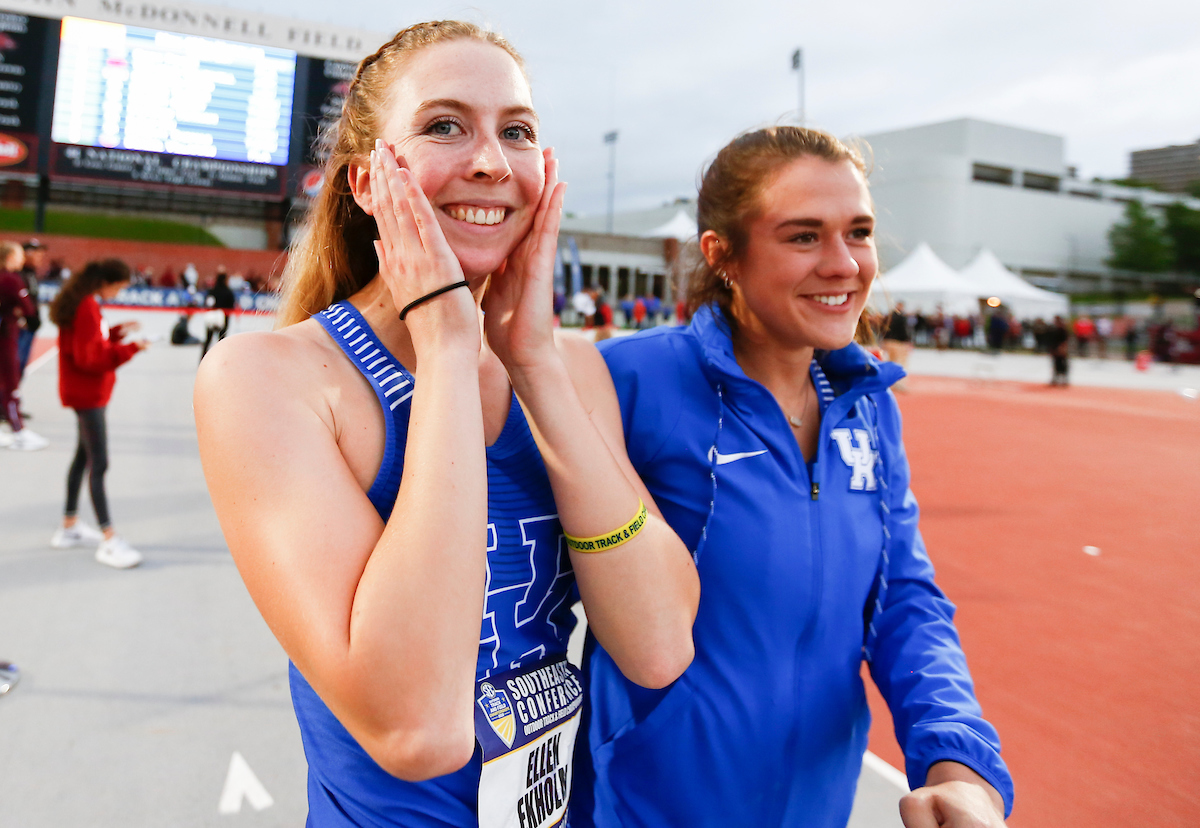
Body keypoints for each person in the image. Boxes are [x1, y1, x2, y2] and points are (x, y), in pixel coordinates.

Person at [192, 21, 698, 828]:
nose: (492, 161)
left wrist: (532, 362)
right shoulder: (270, 381)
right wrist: (446, 342)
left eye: (518, 132)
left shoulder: (570, 369)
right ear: (365, 182)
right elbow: (416, 728)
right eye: (444, 125)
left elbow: (659, 644)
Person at [574, 126, 1012, 828]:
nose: (844, 265)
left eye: (859, 232)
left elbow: (905, 602)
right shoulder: (630, 383)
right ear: (724, 257)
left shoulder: (869, 409)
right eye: (803, 236)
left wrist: (958, 765)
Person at [49, 258, 149, 568]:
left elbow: (90, 343)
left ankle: (69, 526)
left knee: (83, 457)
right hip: (88, 394)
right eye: (119, 286)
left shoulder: (83, 302)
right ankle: (109, 539)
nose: (120, 292)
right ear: (106, 282)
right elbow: (90, 358)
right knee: (99, 461)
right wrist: (132, 348)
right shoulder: (88, 306)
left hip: (85, 392)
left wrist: (118, 333)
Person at [0, 242, 49, 450]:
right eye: (19, 255)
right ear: (10, 257)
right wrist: (25, 316)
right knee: (11, 381)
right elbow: (29, 309)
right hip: (6, 334)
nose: (22, 259)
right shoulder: (11, 279)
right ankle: (19, 431)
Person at [200, 270, 236, 361]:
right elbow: (231, 305)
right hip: (223, 318)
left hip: (211, 317)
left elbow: (207, 302)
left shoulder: (212, 291)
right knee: (221, 341)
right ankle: (220, 360)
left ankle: (203, 359)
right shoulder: (228, 292)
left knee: (208, 339)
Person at [1047, 315, 1070, 386]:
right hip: (1055, 349)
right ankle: (1056, 378)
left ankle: (1064, 379)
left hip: (1061, 349)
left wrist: (1062, 348)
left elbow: (1065, 340)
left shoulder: (1063, 330)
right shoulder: (1053, 330)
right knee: (1056, 364)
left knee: (1062, 364)